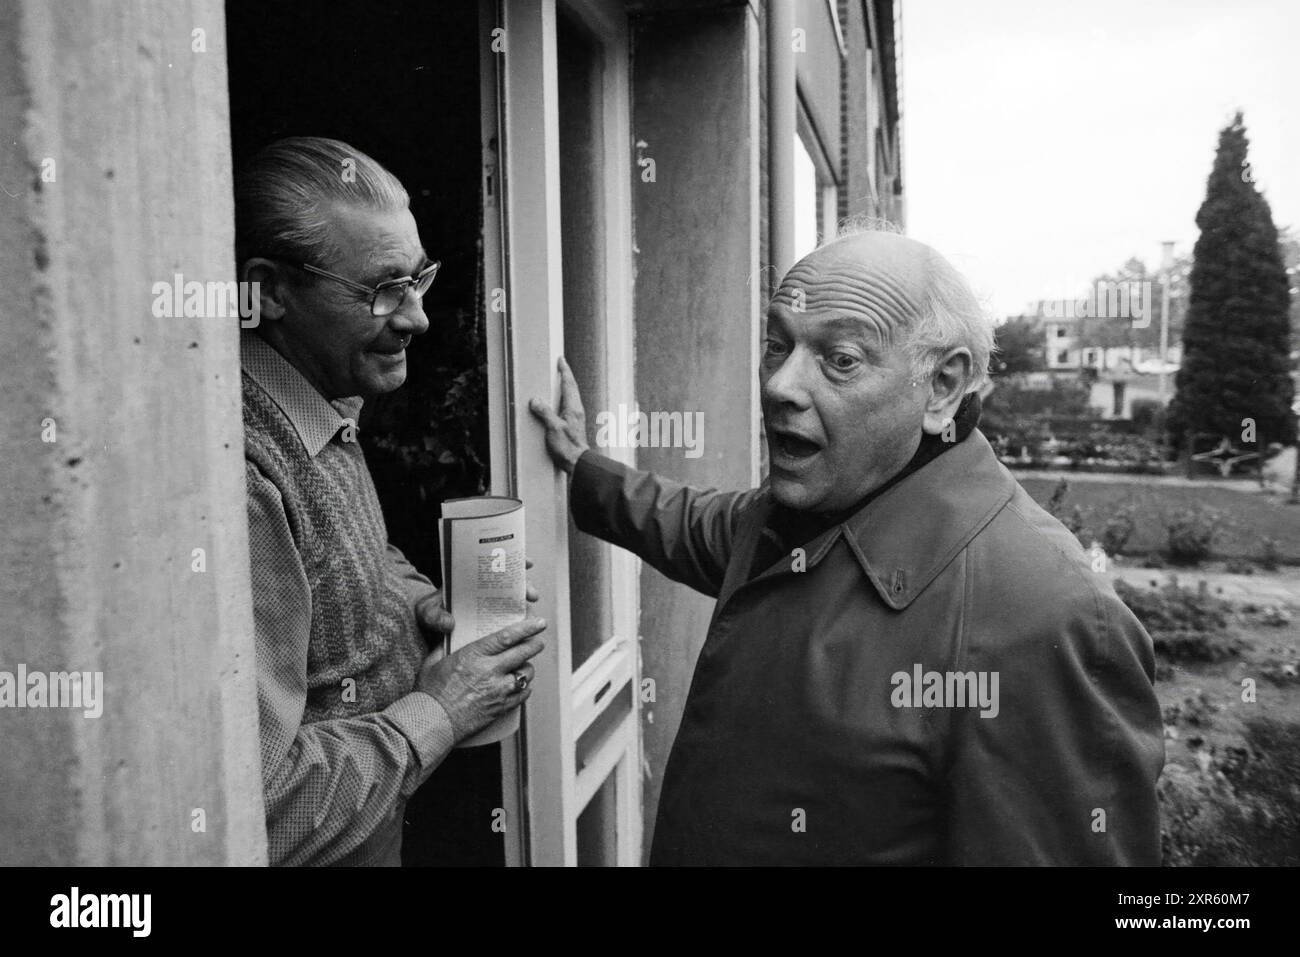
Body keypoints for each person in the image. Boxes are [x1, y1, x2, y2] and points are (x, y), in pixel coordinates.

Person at [530, 229, 1165, 865]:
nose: (780, 385)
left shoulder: (1045, 613)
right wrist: (583, 465)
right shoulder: (802, 511)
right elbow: (691, 523)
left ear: (942, 388)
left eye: (841, 360)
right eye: (777, 345)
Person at [237, 136, 545, 866]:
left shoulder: (322, 396)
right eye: (383, 290)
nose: (418, 318)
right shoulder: (245, 480)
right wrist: (441, 711)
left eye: (419, 280)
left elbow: (348, 555)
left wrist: (418, 605)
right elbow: (264, 809)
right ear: (271, 289)